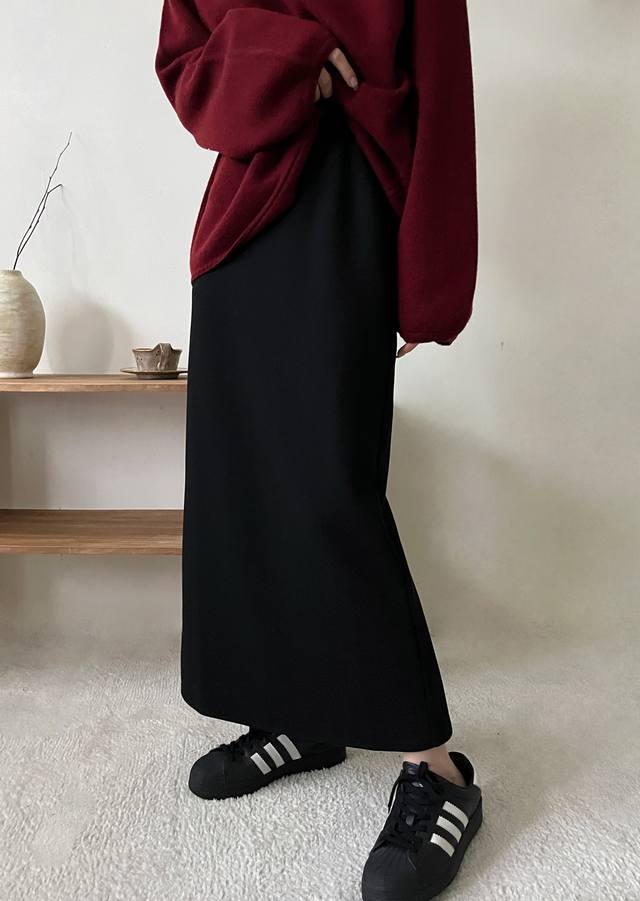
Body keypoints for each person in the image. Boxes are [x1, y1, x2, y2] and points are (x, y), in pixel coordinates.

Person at [155, 1, 481, 898]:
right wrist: (290, 55)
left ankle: (439, 768)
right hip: (238, 217)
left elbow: (443, 95)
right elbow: (185, 69)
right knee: (240, 476)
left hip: (352, 198)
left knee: (329, 483)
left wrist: (430, 277)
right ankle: (300, 712)